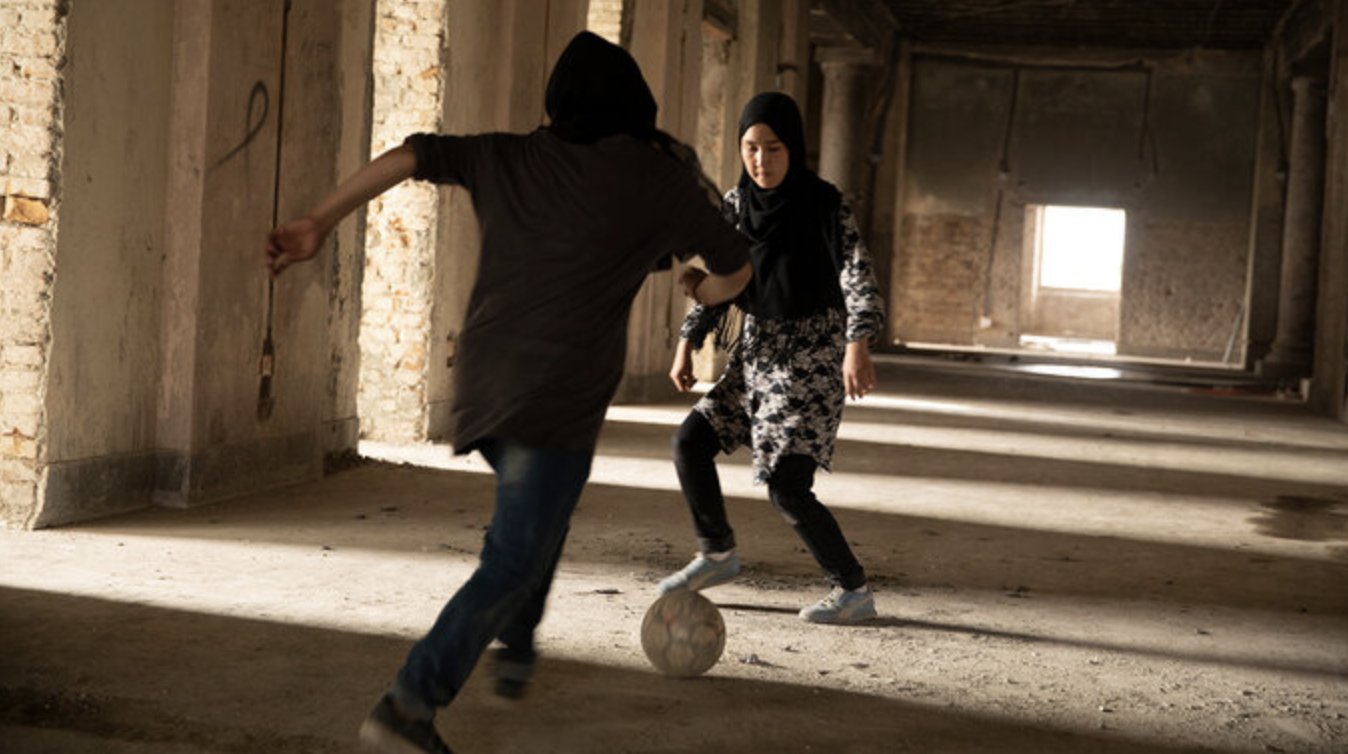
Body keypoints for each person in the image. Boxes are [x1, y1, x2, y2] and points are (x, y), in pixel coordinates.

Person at [266, 32, 751, 754]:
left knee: (537, 522)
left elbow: (411, 155)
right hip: (556, 400)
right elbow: (738, 268)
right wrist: (701, 289)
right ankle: (409, 705)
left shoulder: (510, 155)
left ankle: (517, 642)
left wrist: (319, 221)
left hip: (485, 386)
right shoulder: (659, 177)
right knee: (516, 557)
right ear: (636, 107)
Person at [658, 91, 885, 625]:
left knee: (787, 485)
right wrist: (688, 341)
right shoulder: (737, 205)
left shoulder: (824, 204)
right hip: (756, 354)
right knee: (689, 442)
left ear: (794, 147)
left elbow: (857, 273)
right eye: (751, 148)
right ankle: (717, 552)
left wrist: (858, 344)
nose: (761, 160)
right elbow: (721, 279)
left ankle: (853, 590)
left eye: (774, 148)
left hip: (813, 357)